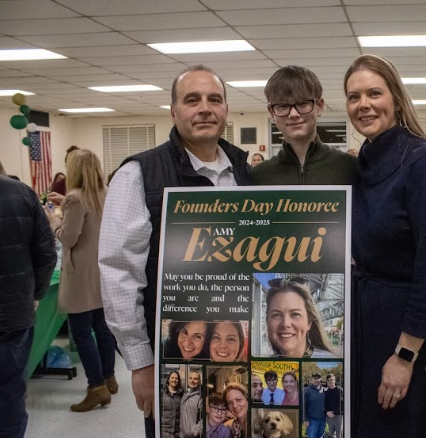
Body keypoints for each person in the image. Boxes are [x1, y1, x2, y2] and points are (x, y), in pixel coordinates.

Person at [98, 65, 251, 437]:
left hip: (238, 349)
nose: (204, 108)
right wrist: (139, 363)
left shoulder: (245, 173)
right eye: (192, 100)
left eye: (214, 99)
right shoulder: (139, 174)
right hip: (173, 354)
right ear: (173, 111)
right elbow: (119, 273)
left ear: (226, 109)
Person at [345, 54, 426, 438]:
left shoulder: (421, 162)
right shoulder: (365, 162)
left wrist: (405, 355)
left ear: (396, 97)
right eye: (354, 96)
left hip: (407, 333)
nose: (364, 104)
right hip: (366, 325)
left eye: (374, 93)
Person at [45, 149, 118, 412]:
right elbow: (91, 214)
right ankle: (109, 377)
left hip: (80, 276)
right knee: (102, 326)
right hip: (100, 271)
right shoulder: (105, 192)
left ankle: (96, 387)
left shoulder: (75, 198)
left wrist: (54, 219)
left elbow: (68, 238)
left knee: (81, 332)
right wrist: (65, 202)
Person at [0, 164, 57, 438]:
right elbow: (46, 254)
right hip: (13, 314)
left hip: (14, 313)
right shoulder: (22, 193)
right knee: (10, 393)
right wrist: (35, 295)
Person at [251, 65, 356, 186]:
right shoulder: (259, 176)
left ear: (320, 106)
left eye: (302, 103)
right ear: (271, 112)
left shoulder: (350, 168)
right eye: (283, 106)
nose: (293, 114)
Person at [265, 278, 334, 358]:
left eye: (295, 314)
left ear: (309, 322)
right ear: (267, 321)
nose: (285, 323)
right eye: (277, 315)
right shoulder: (260, 366)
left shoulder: (330, 363)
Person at [180, 370, 203, 438]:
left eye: (195, 379)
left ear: (199, 382)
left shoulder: (200, 398)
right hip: (181, 435)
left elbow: (205, 418)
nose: (192, 380)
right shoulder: (184, 395)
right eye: (190, 378)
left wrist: (194, 431)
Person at [303, 373, 326, 438]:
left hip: (323, 420)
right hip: (311, 420)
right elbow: (303, 406)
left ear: (321, 379)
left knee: (320, 436)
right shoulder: (306, 390)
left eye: (318, 378)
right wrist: (305, 419)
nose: (316, 380)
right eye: (314, 378)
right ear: (311, 379)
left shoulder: (324, 390)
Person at [162, 371, 184, 438]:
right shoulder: (162, 395)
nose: (174, 380)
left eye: (176, 378)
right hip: (164, 434)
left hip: (177, 434)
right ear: (168, 379)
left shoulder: (181, 395)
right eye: (172, 378)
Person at [324, 374, 343, 438]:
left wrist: (335, 413)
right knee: (332, 435)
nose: (330, 381)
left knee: (339, 434)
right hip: (329, 416)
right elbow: (324, 404)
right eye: (329, 380)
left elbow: (342, 405)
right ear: (327, 382)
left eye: (332, 379)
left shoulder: (340, 391)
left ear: (335, 380)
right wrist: (326, 412)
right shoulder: (326, 393)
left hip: (338, 416)